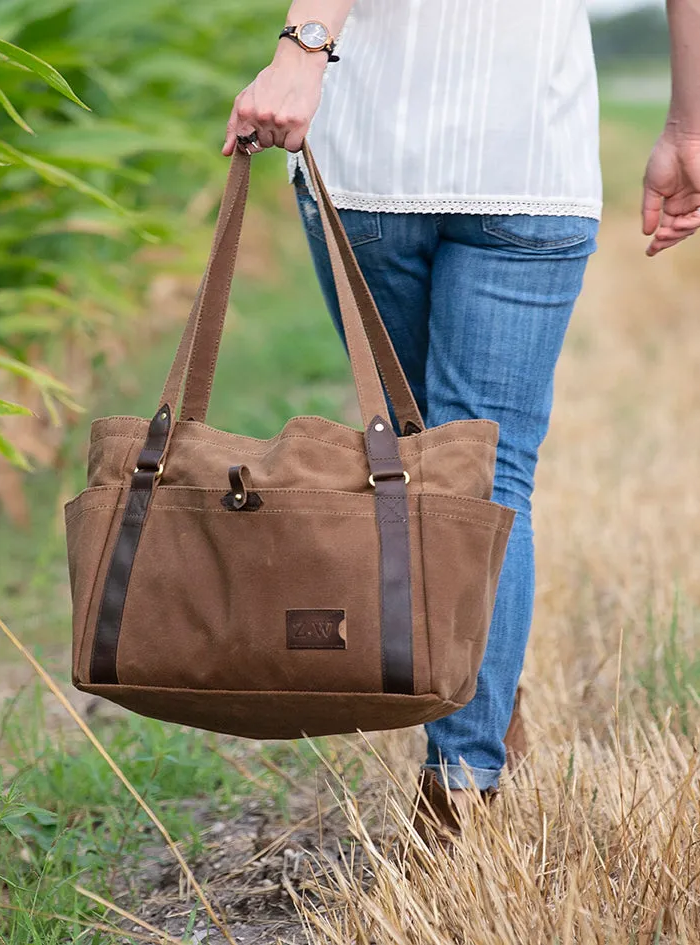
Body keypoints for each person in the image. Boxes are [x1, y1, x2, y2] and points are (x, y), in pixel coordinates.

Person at [222, 0, 700, 838]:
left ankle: (465, 755)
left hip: (374, 151)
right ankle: (469, 767)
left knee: (421, 467)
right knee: (484, 474)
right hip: (529, 154)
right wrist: (688, 120)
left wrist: (303, 46)